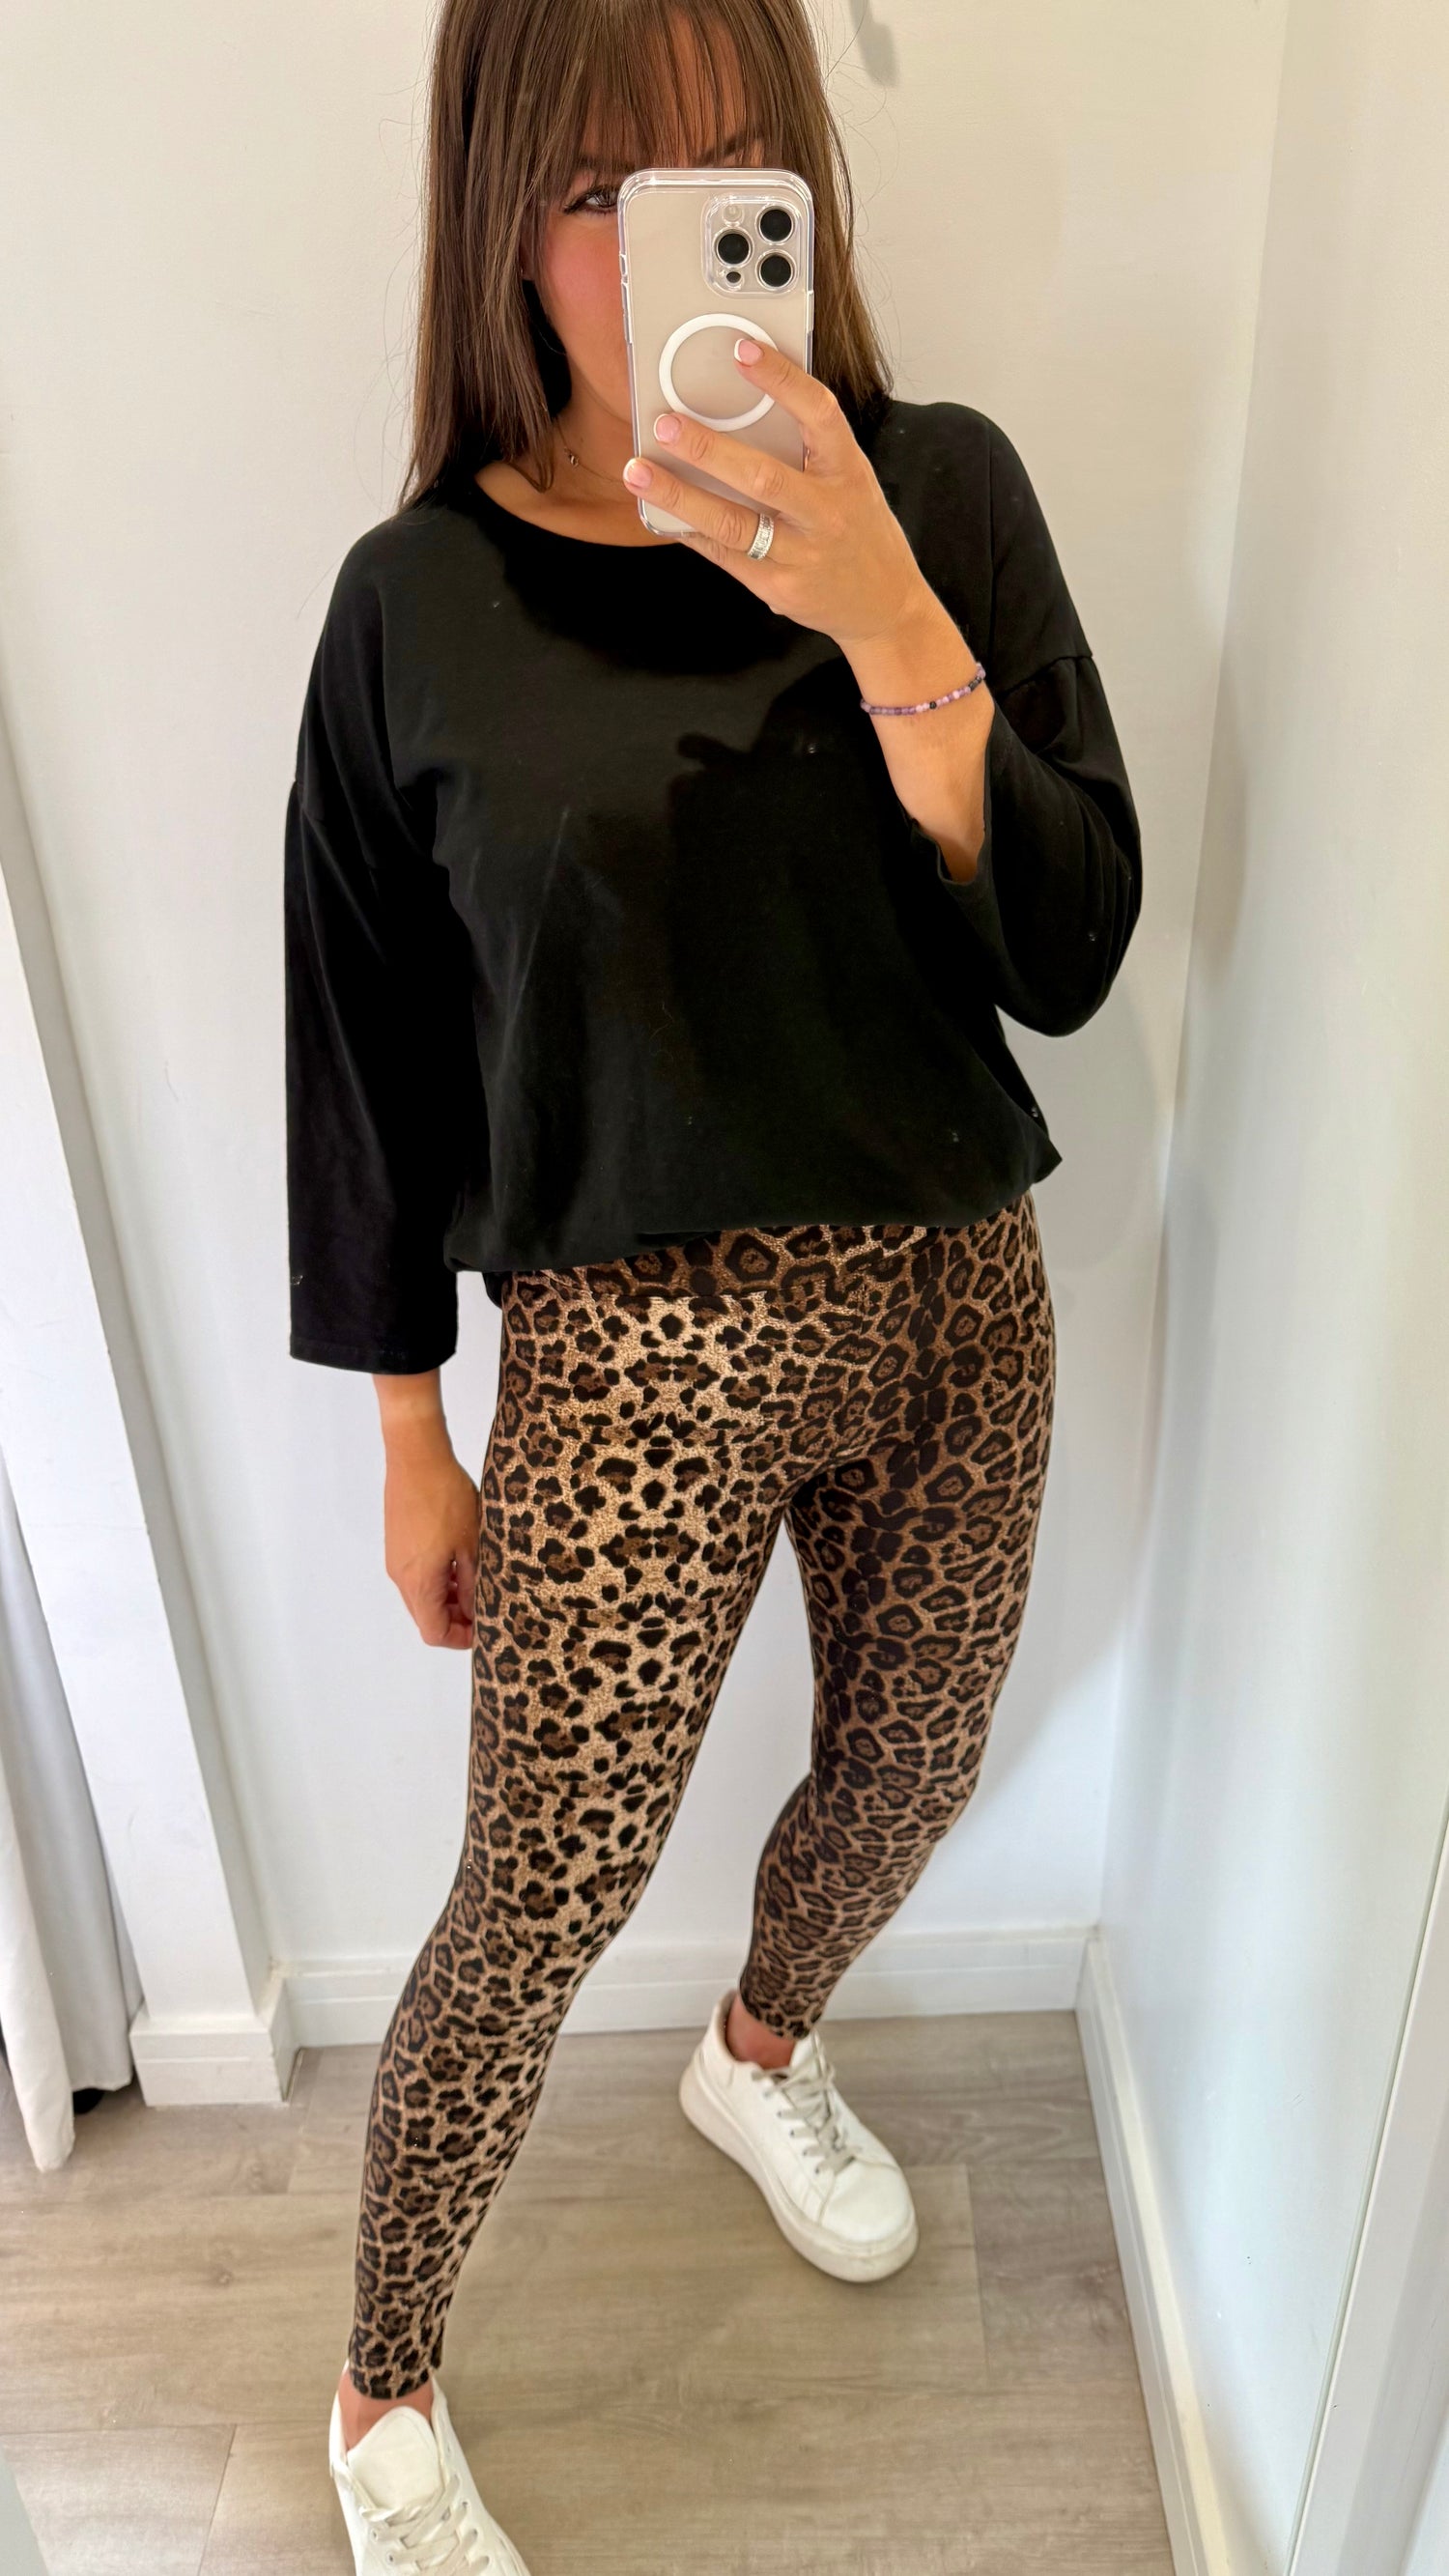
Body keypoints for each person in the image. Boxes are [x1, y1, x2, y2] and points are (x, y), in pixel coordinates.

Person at [285, 0, 1142, 2565]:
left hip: (953, 1287)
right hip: (627, 1348)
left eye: (734, 166)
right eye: (603, 187)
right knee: (535, 1895)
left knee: (909, 1772)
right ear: (501, 217)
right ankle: (378, 2387)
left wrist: (886, 617)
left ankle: (759, 2046)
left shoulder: (939, 489)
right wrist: (410, 1430)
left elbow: (1070, 945)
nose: (670, 237)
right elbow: (363, 1051)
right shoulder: (417, 603)